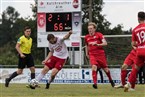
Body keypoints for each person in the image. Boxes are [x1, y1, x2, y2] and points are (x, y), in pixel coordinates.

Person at [84, 22, 115, 89]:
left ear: (94, 29)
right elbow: (86, 46)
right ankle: (95, 84)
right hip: (92, 54)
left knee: (106, 70)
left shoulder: (99, 35)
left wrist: (98, 44)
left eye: (91, 28)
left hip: (100, 54)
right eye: (89, 28)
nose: (90, 30)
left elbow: (105, 43)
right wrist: (87, 53)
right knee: (94, 67)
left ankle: (111, 80)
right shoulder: (86, 37)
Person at [124, 11, 145, 92]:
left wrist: (139, 43)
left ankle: (129, 83)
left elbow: (133, 43)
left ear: (138, 18)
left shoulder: (135, 29)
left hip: (139, 51)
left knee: (135, 68)